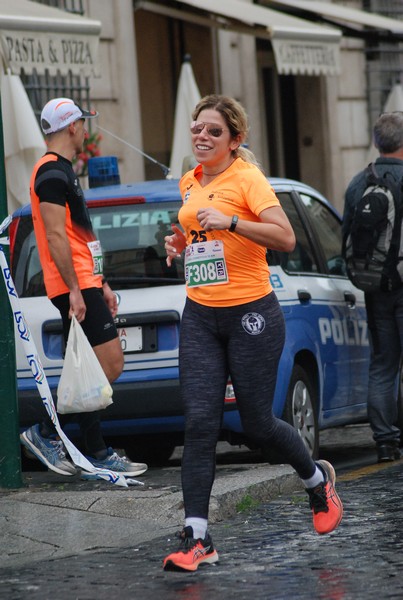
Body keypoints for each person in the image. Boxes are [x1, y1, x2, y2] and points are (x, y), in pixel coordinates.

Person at [162, 94, 343, 572]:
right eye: (197, 128)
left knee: (258, 423)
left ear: (235, 140)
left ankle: (315, 481)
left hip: (251, 315)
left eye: (213, 131)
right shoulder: (189, 181)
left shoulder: (248, 179)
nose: (202, 136)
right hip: (200, 313)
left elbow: (284, 237)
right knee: (199, 424)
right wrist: (182, 242)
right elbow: (200, 233)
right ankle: (196, 536)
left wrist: (232, 221)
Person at [20, 97, 147, 478]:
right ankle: (52, 433)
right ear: (72, 126)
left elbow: (77, 237)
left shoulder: (59, 170)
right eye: (82, 123)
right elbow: (57, 237)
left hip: (84, 281)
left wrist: (100, 282)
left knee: (92, 368)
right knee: (109, 364)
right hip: (72, 284)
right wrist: (77, 289)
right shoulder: (51, 173)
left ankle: (91, 448)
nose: (85, 129)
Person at [343, 111, 403, 463]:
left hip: (376, 286)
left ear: (377, 142)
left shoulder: (358, 182)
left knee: (383, 362)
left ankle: (385, 441)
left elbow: (346, 235)